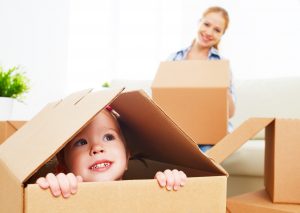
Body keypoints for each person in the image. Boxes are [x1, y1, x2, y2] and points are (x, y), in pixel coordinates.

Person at [37, 107, 187, 198]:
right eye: (81, 142)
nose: (97, 147)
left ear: (128, 155)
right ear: (63, 166)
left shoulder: (147, 194)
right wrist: (56, 186)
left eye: (108, 137)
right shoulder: (63, 191)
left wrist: (169, 184)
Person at [168, 6, 236, 152]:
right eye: (206, 24)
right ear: (199, 22)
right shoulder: (175, 58)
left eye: (217, 30)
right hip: (179, 129)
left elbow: (230, 113)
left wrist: (225, 87)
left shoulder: (220, 64)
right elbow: (162, 100)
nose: (209, 32)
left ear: (222, 35)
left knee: (203, 154)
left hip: (210, 133)